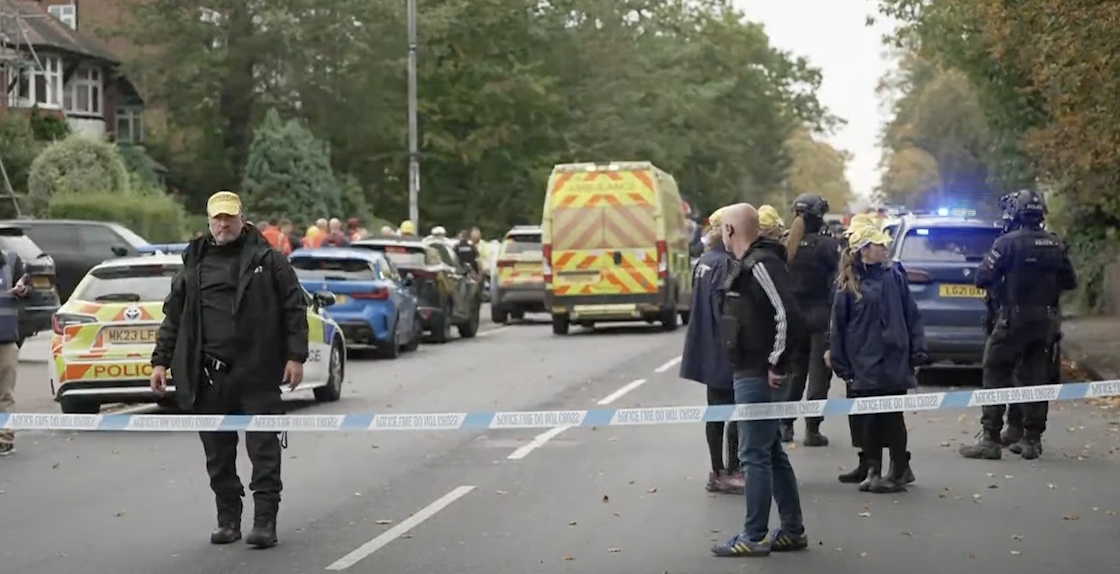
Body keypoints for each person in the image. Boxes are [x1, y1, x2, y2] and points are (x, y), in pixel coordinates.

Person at [149, 191, 309, 548]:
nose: (224, 224)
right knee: (218, 455)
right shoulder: (194, 262)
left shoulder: (270, 259)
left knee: (263, 451)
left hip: (257, 373)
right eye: (218, 218)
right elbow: (173, 317)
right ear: (208, 221)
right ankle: (228, 520)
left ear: (243, 219)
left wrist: (295, 356)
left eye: (230, 218)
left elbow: (294, 309)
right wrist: (160, 360)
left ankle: (265, 521)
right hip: (208, 376)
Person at [712, 203, 807, 558]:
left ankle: (754, 535)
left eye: (723, 228)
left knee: (753, 454)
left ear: (731, 231)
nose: (722, 234)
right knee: (770, 451)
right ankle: (793, 530)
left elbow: (788, 314)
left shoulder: (761, 265)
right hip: (749, 369)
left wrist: (777, 363)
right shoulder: (747, 264)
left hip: (758, 373)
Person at [960, 189, 1076, 460]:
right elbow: (1070, 281)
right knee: (1035, 377)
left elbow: (982, 278)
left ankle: (989, 438)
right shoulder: (1056, 245)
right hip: (1045, 321)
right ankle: (1031, 440)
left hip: (1014, 318)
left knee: (995, 371)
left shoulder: (1007, 243)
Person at [828, 222, 926, 493]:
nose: (885, 248)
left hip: (893, 359)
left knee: (892, 417)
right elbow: (838, 326)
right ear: (864, 250)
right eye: (879, 245)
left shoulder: (894, 275)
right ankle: (873, 468)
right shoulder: (848, 284)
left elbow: (911, 314)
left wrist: (917, 350)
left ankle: (897, 470)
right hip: (864, 361)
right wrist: (841, 363)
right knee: (869, 419)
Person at [680, 206, 744, 495]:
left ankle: (718, 469)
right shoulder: (727, 265)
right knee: (734, 412)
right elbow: (728, 313)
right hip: (723, 350)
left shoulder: (705, 261)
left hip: (705, 348)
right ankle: (730, 470)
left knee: (715, 412)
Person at [780, 193, 842, 446]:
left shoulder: (785, 245)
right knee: (819, 374)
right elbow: (836, 282)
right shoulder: (827, 246)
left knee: (795, 373)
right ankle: (812, 429)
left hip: (793, 318)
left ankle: (785, 425)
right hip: (820, 315)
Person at [0, 250, 31, 456]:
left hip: (6, 337)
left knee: (5, 392)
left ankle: (4, 439)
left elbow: (31, 290)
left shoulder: (11, 261)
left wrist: (24, 289)